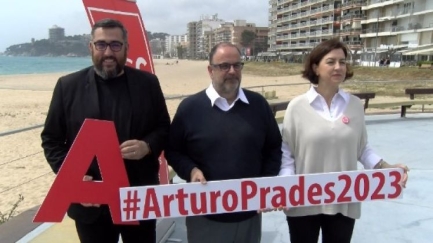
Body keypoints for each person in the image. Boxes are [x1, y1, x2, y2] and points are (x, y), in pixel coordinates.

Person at [41, 18, 170, 243]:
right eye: (101, 44)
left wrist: (147, 146)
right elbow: (51, 139)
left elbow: (164, 128)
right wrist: (73, 177)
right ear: (91, 47)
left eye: (115, 45)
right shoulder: (67, 86)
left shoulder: (148, 84)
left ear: (126, 49)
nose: (108, 52)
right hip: (90, 204)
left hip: (137, 198)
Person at [279, 38, 409, 243]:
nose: (338, 67)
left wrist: (386, 167)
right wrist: (286, 187)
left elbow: (362, 149)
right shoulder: (297, 106)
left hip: (344, 198)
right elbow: (287, 154)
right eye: (331, 62)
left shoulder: (355, 105)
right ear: (316, 67)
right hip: (303, 201)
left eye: (342, 61)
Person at [165, 42, 282, 243]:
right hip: (205, 215)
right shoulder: (190, 108)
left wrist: (266, 184)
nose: (232, 71)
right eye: (224, 66)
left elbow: (274, 148)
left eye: (237, 65)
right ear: (210, 70)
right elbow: (173, 150)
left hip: (249, 214)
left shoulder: (258, 105)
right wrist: (190, 170)